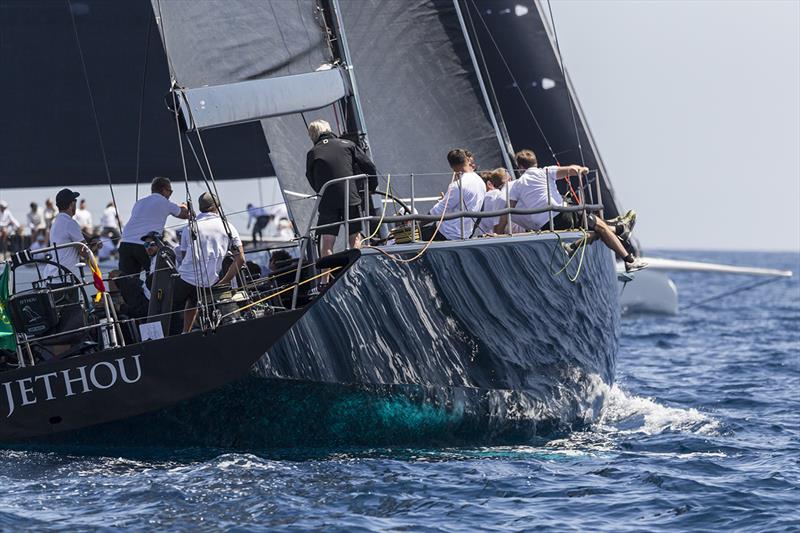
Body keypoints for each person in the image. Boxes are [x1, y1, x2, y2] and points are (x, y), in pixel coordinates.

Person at [494, 149, 646, 272]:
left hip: (545, 226)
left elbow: (508, 210)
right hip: (562, 215)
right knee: (601, 227)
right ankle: (629, 260)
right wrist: (583, 170)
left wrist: (499, 231)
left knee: (596, 227)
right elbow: (573, 169)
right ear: (535, 162)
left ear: (520, 167)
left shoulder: (517, 185)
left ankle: (611, 232)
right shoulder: (546, 172)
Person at [172, 192, 244, 333]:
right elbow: (240, 259)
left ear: (200, 208)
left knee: (168, 306)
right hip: (210, 281)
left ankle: (183, 333)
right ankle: (196, 330)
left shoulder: (189, 227)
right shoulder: (228, 227)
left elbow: (184, 256)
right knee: (193, 300)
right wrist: (224, 281)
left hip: (185, 280)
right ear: (217, 206)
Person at [305, 119, 377, 259]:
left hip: (327, 202)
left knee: (327, 244)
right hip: (350, 199)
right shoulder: (348, 144)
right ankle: (355, 271)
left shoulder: (312, 153)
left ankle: (325, 280)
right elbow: (369, 166)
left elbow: (310, 177)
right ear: (328, 129)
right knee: (355, 238)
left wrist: (321, 193)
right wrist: (372, 187)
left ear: (313, 135)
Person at [118, 177, 189, 277]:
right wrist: (185, 207)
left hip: (125, 243)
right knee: (153, 277)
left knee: (128, 279)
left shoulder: (140, 202)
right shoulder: (165, 202)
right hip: (145, 245)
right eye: (170, 191)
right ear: (164, 190)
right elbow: (185, 215)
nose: (170, 194)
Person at [420, 148, 486, 241]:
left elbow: (439, 211)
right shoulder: (481, 182)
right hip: (465, 233)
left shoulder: (457, 185)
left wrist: (417, 225)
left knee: (412, 239)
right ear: (467, 160)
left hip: (447, 233)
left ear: (451, 166)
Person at [44, 189, 89, 279]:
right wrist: (96, 247)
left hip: (52, 275)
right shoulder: (70, 223)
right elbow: (84, 252)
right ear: (71, 204)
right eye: (75, 201)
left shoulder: (56, 222)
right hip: (66, 277)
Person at [477, 168, 523, 236]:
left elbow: (497, 229)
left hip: (515, 233)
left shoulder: (496, 196)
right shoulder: (519, 185)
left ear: (492, 184)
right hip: (531, 227)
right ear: (510, 179)